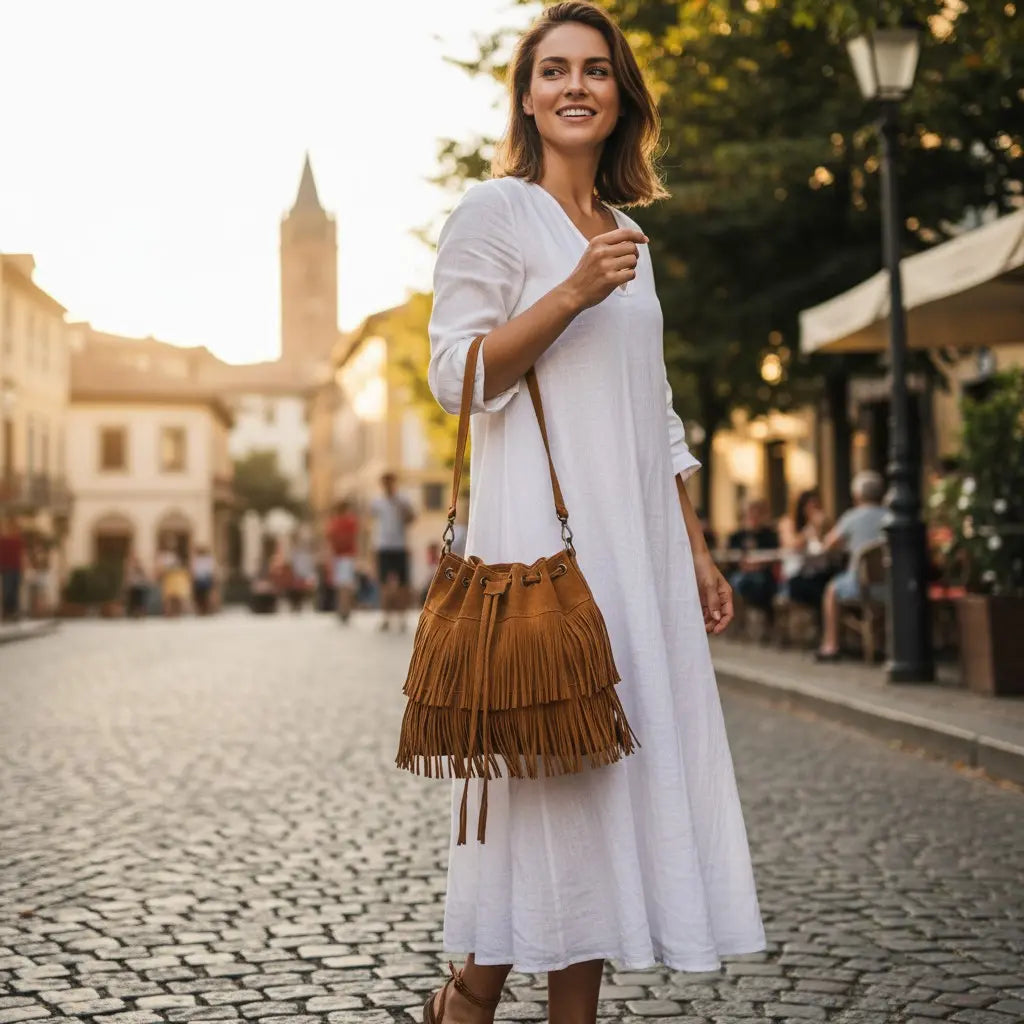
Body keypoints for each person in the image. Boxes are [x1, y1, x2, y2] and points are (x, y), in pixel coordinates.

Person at [419, 5, 764, 1021]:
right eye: (555, 70)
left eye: (597, 71)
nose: (577, 86)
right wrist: (568, 294)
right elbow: (457, 375)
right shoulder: (493, 211)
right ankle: (468, 995)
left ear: (622, 98)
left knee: (608, 787)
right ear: (527, 94)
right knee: (551, 784)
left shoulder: (630, 236)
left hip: (639, 550)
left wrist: (695, 550)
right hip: (541, 546)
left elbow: (651, 411)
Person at [815, 470, 888, 662]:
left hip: (862, 587)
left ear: (857, 495)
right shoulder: (890, 516)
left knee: (831, 590)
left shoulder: (852, 517)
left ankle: (831, 645)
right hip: (890, 586)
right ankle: (879, 642)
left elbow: (827, 545)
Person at [370, 473, 414, 632]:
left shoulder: (403, 500)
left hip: (400, 546)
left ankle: (402, 618)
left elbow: (411, 518)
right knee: (384, 584)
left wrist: (404, 510)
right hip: (383, 546)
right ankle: (386, 617)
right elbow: (371, 524)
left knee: (402, 584)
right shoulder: (376, 502)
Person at [778, 489, 832, 610]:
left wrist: (824, 528)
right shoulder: (788, 523)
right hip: (797, 575)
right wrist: (810, 528)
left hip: (819, 573)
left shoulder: (824, 524)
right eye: (811, 506)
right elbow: (793, 544)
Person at [727, 498, 780, 619]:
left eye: (757, 512)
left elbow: (774, 557)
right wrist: (744, 565)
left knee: (759, 583)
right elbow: (731, 558)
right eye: (750, 512)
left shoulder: (770, 535)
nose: (754, 516)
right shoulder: (736, 536)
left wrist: (758, 565)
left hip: (763, 575)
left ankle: (757, 616)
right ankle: (743, 617)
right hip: (741, 573)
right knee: (736, 582)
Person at [326, 499, 360, 622]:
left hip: (342, 555)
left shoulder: (336, 522)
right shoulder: (348, 521)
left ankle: (343, 609)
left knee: (343, 584)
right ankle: (344, 609)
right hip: (344, 555)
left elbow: (330, 538)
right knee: (344, 584)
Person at [0, 515, 25, 623]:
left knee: (15, 590)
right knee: (8, 591)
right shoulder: (3, 540)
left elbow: (21, 555)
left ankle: (14, 613)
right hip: (7, 568)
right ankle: (7, 613)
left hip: (16, 568)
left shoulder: (18, 539)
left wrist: (23, 568)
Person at [191, 545, 217, 615]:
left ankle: (205, 609)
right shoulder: (205, 560)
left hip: (203, 579)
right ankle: (204, 609)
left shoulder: (202, 560)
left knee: (203, 595)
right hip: (203, 579)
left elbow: (194, 571)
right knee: (203, 595)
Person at [124, 553, 150, 619]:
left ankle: (140, 612)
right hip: (133, 588)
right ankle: (133, 612)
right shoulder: (129, 568)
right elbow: (128, 579)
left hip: (140, 588)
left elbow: (145, 578)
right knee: (133, 600)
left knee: (140, 600)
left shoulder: (140, 569)